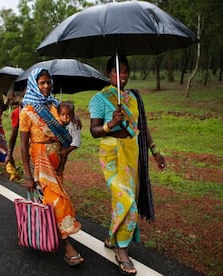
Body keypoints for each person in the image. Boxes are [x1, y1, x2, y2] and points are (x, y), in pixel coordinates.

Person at [88, 55, 166, 275]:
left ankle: (113, 238)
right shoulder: (100, 98)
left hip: (132, 155)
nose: (123, 76)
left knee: (120, 201)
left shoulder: (134, 97)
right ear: (108, 73)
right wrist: (110, 124)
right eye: (117, 71)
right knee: (128, 201)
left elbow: (143, 127)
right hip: (111, 156)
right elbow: (93, 131)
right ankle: (122, 251)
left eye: (126, 71)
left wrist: (155, 151)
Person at [19, 68, 84, 266]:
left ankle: (47, 233)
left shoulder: (56, 106)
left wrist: (74, 120)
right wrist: (28, 176)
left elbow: (65, 125)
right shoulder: (27, 111)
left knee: (50, 203)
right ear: (34, 85)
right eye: (42, 83)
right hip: (39, 163)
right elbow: (22, 146)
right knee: (57, 202)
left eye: (48, 82)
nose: (46, 86)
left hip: (57, 163)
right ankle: (68, 247)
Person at [4, 86, 27, 181]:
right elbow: (14, 133)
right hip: (30, 153)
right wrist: (9, 154)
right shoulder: (19, 112)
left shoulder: (47, 109)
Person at [56, 100, 81, 175]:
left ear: (72, 115)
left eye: (68, 115)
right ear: (58, 114)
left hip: (72, 143)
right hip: (62, 140)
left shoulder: (73, 126)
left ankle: (61, 167)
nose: (65, 117)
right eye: (62, 115)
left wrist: (67, 151)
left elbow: (76, 142)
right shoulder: (58, 121)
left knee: (63, 154)